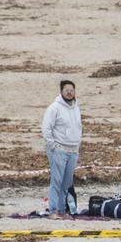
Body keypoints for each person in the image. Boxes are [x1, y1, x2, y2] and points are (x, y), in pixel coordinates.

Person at [41, 80, 81, 218]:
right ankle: (52, 211)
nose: (69, 92)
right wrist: (52, 146)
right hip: (59, 149)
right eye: (66, 90)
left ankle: (62, 211)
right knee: (56, 181)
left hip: (73, 151)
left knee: (67, 183)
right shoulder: (54, 107)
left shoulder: (76, 107)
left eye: (71, 90)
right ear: (61, 91)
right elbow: (46, 128)